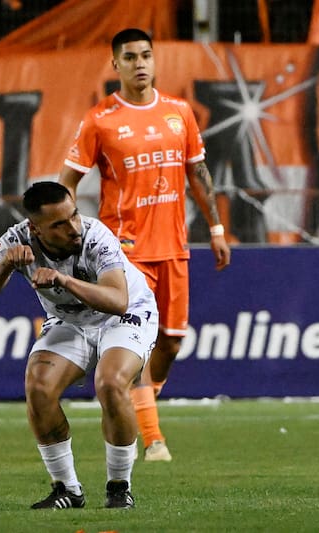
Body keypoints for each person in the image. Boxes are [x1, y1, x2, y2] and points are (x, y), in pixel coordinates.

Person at [59, 28, 231, 462]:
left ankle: (132, 403)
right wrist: (71, 233)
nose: (140, 64)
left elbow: (199, 174)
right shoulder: (100, 119)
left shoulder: (180, 112)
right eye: (130, 57)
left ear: (155, 61)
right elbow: (68, 182)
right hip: (126, 252)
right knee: (137, 341)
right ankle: (152, 439)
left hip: (174, 247)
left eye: (146, 55)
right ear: (115, 64)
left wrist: (216, 230)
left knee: (171, 341)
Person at [0, 181, 158, 510]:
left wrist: (64, 279)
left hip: (125, 316)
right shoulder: (16, 239)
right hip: (70, 320)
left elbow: (118, 301)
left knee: (110, 383)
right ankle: (67, 489)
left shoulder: (96, 236)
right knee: (38, 387)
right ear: (35, 229)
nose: (73, 228)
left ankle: (119, 486)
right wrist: (6, 266)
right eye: (59, 224)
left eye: (74, 215)